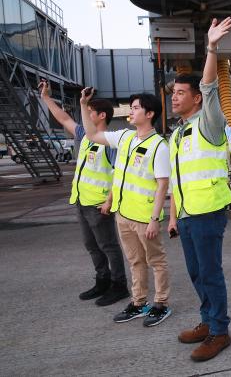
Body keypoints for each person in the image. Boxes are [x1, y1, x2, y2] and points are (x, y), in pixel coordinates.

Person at [167, 17, 231, 362]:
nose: (174, 98)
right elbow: (177, 179)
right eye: (173, 93)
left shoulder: (208, 122)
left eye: (181, 93)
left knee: (210, 272)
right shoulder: (178, 133)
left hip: (208, 210)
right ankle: (208, 321)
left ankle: (220, 331)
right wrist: (174, 215)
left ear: (196, 98)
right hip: (188, 214)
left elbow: (210, 87)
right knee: (196, 273)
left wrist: (211, 48)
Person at [81, 90, 172, 326]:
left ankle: (161, 304)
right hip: (123, 214)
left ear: (149, 113)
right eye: (131, 107)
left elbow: (163, 185)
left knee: (156, 261)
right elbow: (91, 134)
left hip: (144, 217)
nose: (131, 111)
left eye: (135, 107)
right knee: (135, 261)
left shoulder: (159, 146)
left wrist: (154, 219)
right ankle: (139, 302)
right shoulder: (124, 137)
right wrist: (83, 105)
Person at [40, 80, 128, 306]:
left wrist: (110, 201)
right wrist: (46, 98)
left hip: (100, 204)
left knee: (108, 245)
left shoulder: (110, 143)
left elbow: (120, 174)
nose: (85, 116)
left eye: (90, 112)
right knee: (91, 245)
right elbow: (63, 118)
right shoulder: (84, 137)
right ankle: (103, 280)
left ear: (101, 116)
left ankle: (119, 285)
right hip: (81, 201)